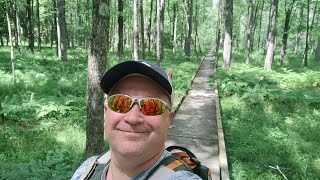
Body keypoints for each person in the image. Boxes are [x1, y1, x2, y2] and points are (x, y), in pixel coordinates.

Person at [71, 60, 202, 180]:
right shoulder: (88, 169)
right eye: (120, 102)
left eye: (152, 105)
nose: (133, 118)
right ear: (106, 112)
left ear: (169, 119)